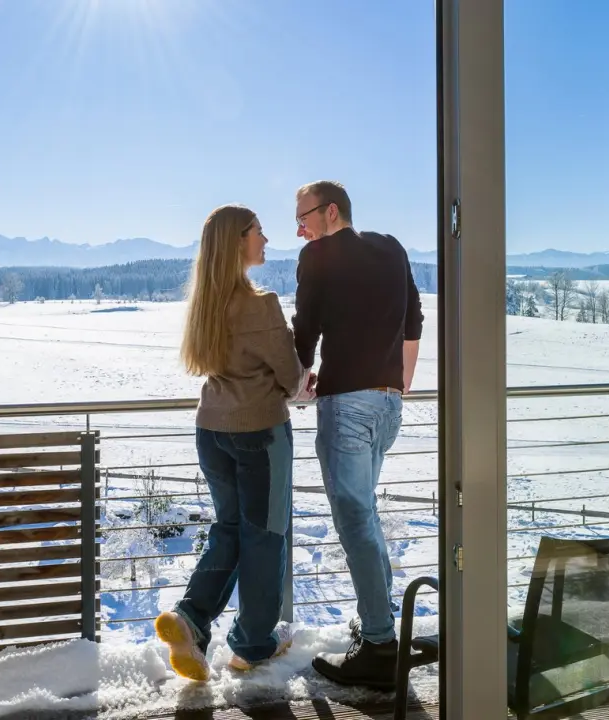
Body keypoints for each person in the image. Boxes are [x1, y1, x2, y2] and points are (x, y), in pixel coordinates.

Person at [154, 204, 314, 682]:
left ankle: (189, 618)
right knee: (265, 536)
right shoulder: (259, 303)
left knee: (229, 529)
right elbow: (290, 377)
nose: (266, 240)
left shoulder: (205, 303)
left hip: (212, 431)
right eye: (259, 232)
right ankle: (253, 645)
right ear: (238, 241)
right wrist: (304, 380)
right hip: (258, 434)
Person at [291, 180, 424, 688]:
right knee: (364, 518)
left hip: (347, 408)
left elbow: (306, 330)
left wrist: (301, 382)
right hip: (388, 406)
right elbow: (413, 319)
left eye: (303, 218)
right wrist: (399, 380)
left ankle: (379, 648)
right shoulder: (391, 248)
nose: (300, 230)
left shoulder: (318, 256)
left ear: (330, 213)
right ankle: (380, 629)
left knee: (356, 526)